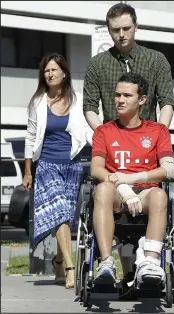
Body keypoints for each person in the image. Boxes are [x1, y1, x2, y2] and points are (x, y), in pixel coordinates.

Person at [90, 72, 174, 288]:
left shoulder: (157, 131)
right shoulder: (104, 131)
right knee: (102, 189)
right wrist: (125, 189)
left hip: (146, 193)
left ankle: (149, 263)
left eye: (127, 95)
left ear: (142, 100)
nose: (120, 100)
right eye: (117, 95)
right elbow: (96, 169)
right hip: (116, 194)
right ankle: (107, 264)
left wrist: (132, 178)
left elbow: (170, 169)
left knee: (159, 195)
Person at [23, 52, 92, 289]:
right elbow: (31, 137)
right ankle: (71, 268)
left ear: (64, 73)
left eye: (54, 69)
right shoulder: (38, 102)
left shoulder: (78, 99)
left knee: (66, 218)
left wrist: (106, 147)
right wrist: (28, 170)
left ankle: (59, 260)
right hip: (47, 166)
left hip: (72, 166)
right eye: (46, 70)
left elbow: (87, 129)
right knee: (61, 212)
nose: (50, 74)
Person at [83, 2, 174, 130]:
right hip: (112, 140)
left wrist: (160, 134)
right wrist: (104, 135)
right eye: (115, 30)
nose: (121, 34)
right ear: (109, 30)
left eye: (126, 28)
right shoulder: (97, 64)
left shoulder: (156, 60)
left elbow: (166, 102)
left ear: (135, 26)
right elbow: (89, 106)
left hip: (147, 139)